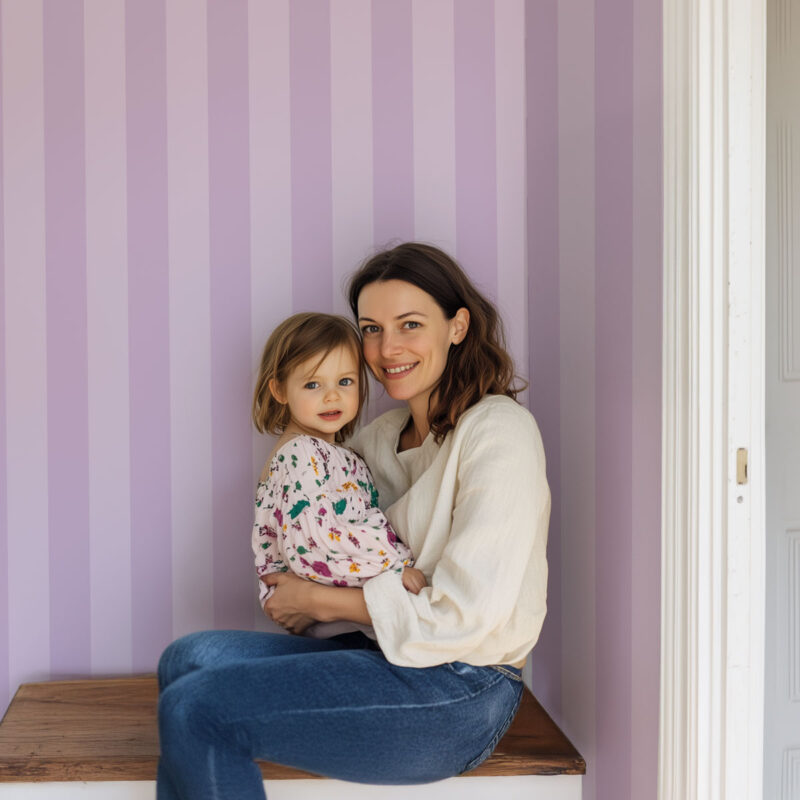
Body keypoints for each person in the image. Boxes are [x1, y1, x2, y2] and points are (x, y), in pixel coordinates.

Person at [156, 242, 550, 800]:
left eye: (410, 324)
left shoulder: (498, 431)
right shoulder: (376, 440)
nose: (388, 349)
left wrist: (318, 601)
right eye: (371, 329)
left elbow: (466, 615)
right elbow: (325, 544)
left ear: (457, 326)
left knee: (195, 706)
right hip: (379, 652)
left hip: (460, 688)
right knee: (186, 660)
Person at [250, 312, 426, 611]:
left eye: (345, 381)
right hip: (324, 604)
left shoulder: (341, 454)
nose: (332, 396)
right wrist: (394, 566)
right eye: (313, 385)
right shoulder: (299, 453)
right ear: (279, 390)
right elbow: (317, 544)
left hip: (352, 598)